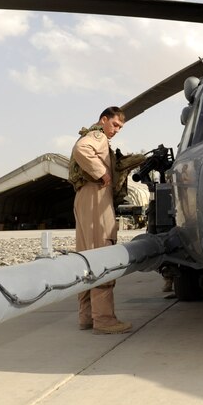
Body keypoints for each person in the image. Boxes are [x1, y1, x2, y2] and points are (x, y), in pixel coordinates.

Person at [69, 106, 132, 335]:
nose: (116, 130)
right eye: (114, 124)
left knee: (85, 257)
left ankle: (86, 316)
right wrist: (101, 172)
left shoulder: (99, 136)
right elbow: (81, 149)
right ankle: (104, 320)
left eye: (120, 127)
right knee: (102, 255)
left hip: (87, 197)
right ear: (103, 120)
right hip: (95, 197)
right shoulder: (97, 136)